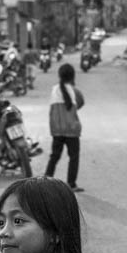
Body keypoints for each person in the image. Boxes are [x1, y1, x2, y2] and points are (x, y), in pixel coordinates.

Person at [44, 63, 85, 193]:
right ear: (73, 76)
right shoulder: (74, 90)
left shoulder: (54, 89)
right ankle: (71, 184)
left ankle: (45, 180)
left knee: (54, 156)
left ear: (59, 75)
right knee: (74, 156)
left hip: (57, 129)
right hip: (72, 129)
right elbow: (81, 102)